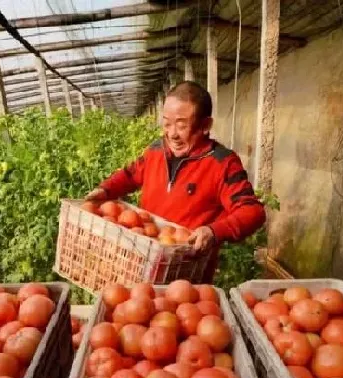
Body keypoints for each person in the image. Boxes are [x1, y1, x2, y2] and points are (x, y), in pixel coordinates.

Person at [84, 81, 266, 283]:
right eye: (167, 124)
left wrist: (213, 231)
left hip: (187, 274)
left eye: (181, 125)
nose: (172, 134)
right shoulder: (156, 151)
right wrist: (105, 189)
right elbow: (130, 174)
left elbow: (252, 212)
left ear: (205, 126)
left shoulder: (222, 163)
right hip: (143, 265)